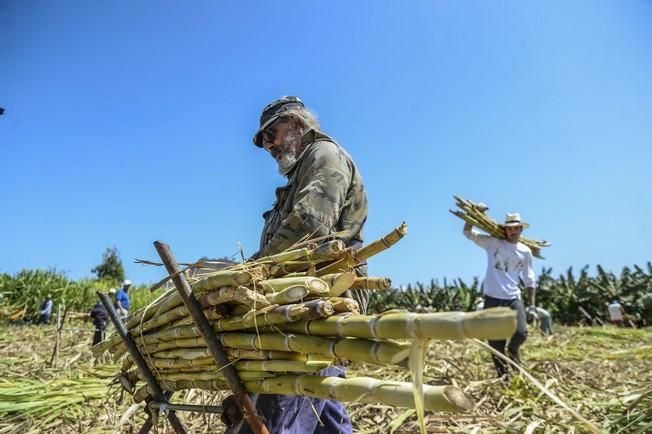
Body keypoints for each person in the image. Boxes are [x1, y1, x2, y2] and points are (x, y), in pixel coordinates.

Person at [236, 96, 368, 434]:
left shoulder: (323, 155)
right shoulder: (302, 171)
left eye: (272, 134)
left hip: (316, 299)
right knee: (326, 408)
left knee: (287, 400)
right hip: (306, 296)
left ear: (297, 124)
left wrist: (251, 271)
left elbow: (310, 224)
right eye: (264, 140)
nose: (268, 145)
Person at [463, 211, 536, 378]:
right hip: (493, 297)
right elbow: (468, 233)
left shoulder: (525, 251)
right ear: (505, 229)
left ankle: (513, 350)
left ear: (520, 230)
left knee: (521, 333)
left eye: (516, 228)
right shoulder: (493, 243)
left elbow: (530, 279)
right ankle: (504, 377)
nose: (513, 231)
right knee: (496, 342)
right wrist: (473, 215)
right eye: (509, 228)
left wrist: (531, 305)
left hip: (513, 297)